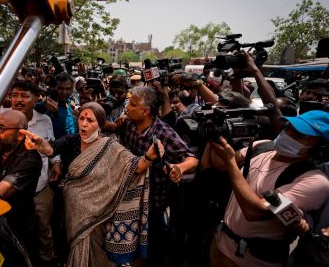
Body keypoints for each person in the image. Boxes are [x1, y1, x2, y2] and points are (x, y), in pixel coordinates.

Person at [20, 102, 164, 267]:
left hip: (100, 214)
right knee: (74, 248)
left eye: (90, 120)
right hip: (72, 212)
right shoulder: (71, 141)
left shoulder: (111, 147)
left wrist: (150, 156)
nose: (84, 124)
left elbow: (134, 166)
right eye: (81, 118)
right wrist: (39, 144)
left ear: (100, 124)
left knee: (97, 252)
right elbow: (51, 149)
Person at [209, 110, 329, 267]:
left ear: (319, 148)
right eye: (288, 127)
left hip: (252, 260)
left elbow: (253, 211)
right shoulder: (262, 146)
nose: (289, 134)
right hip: (220, 243)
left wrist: (231, 161)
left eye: (301, 135)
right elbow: (220, 164)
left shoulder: (314, 181)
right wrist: (215, 136)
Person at [108, 86, 199, 266]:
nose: (127, 108)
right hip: (127, 196)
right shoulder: (127, 124)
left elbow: (193, 159)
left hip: (153, 203)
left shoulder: (164, 133)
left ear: (146, 111)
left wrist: (179, 168)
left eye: (133, 104)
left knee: (149, 247)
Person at [10, 80, 63, 266]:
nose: (18, 100)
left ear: (35, 99)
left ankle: (47, 261)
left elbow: (51, 143)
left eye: (24, 96)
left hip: (40, 188)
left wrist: (56, 162)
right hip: (10, 191)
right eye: (15, 95)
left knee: (44, 229)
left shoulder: (44, 120)